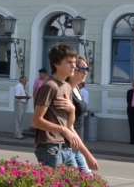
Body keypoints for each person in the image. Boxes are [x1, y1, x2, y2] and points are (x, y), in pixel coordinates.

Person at [31, 43, 98, 171]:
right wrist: (63, 129)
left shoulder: (66, 86)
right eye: (69, 62)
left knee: (78, 186)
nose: (74, 66)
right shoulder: (49, 86)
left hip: (65, 146)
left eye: (74, 62)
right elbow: (36, 121)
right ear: (56, 64)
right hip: (49, 147)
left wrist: (72, 111)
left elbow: (69, 124)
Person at [68, 58, 93, 172]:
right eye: (82, 68)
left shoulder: (77, 89)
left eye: (87, 69)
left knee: (87, 181)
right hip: (67, 146)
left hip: (77, 145)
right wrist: (88, 155)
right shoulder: (66, 91)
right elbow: (68, 125)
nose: (85, 72)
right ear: (73, 69)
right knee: (84, 181)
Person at [12, 75, 30, 140]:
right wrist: (26, 97)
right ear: (21, 80)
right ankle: (17, 134)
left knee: (21, 120)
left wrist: (26, 97)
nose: (26, 81)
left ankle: (20, 134)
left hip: (23, 103)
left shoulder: (23, 87)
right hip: (19, 103)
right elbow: (17, 96)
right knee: (18, 119)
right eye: (25, 80)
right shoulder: (18, 86)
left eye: (26, 80)